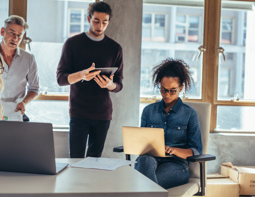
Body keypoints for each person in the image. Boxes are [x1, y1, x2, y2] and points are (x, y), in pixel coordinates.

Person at [57, 2, 124, 158]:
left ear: (108, 22)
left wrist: (110, 85)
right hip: (78, 112)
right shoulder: (72, 44)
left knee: (95, 162)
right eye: (96, 21)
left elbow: (119, 84)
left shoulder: (115, 48)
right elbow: (61, 79)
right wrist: (81, 75)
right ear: (88, 18)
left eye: (104, 22)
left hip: (103, 114)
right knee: (76, 160)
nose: (100, 26)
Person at [135, 58, 203, 189]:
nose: (167, 94)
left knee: (146, 182)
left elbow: (196, 150)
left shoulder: (190, 114)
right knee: (144, 160)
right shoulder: (148, 111)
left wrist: (175, 150)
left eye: (172, 90)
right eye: (163, 90)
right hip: (150, 160)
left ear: (181, 88)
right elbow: (141, 145)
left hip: (176, 165)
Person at [0, 15, 39, 121]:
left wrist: (24, 102)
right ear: (2, 31)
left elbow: (34, 89)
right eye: (12, 33)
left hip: (16, 113)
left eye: (19, 35)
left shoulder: (29, 59)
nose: (15, 39)